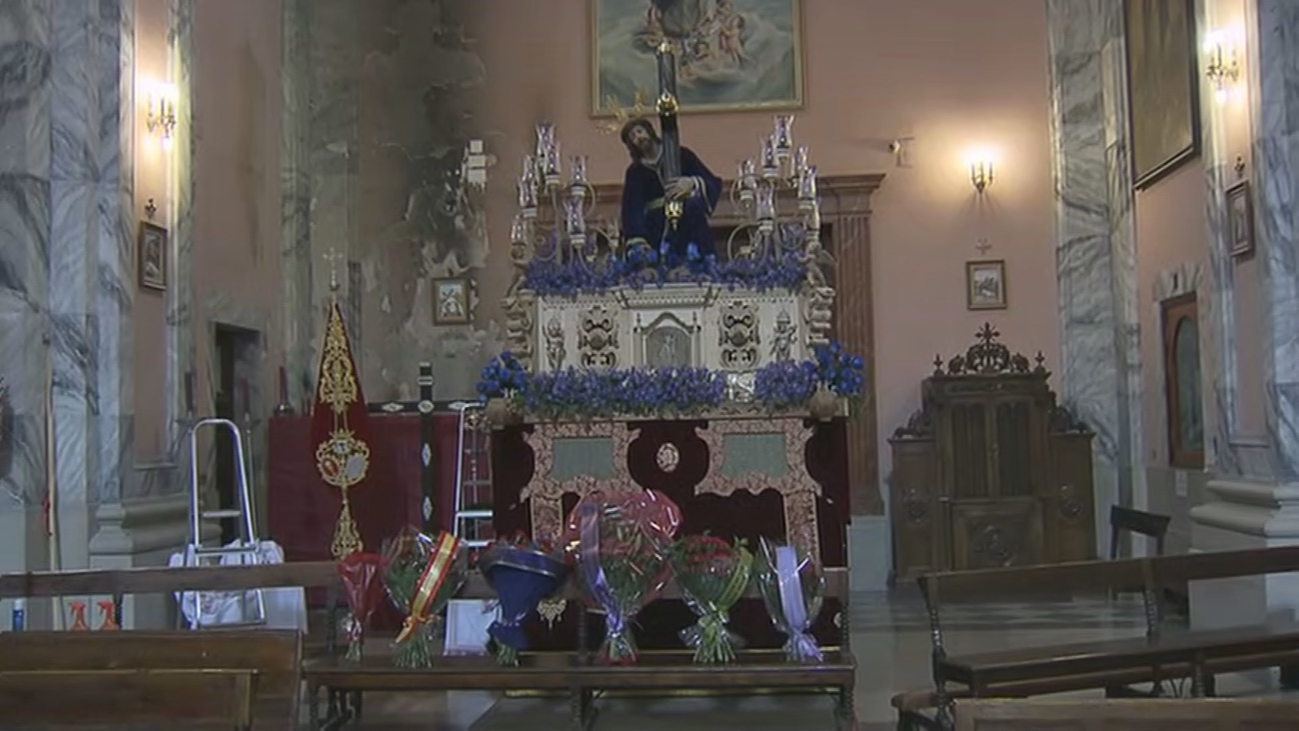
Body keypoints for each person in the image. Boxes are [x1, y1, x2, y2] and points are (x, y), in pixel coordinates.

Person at [618, 117, 722, 262]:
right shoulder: (635, 171)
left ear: (649, 131)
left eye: (639, 131)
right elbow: (632, 208)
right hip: (655, 230)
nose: (638, 138)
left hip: (688, 222)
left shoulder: (681, 155)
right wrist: (638, 241)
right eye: (633, 137)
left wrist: (692, 183)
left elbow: (712, 182)